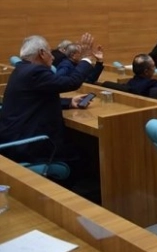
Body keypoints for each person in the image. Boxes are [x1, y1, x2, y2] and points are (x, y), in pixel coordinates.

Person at [0, 34, 96, 169]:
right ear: (41, 53)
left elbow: (37, 97)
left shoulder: (21, 69)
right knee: (82, 156)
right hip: (29, 144)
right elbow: (71, 82)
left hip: (14, 136)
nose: (53, 56)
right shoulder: (36, 71)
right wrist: (86, 58)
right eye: (50, 52)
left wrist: (69, 102)